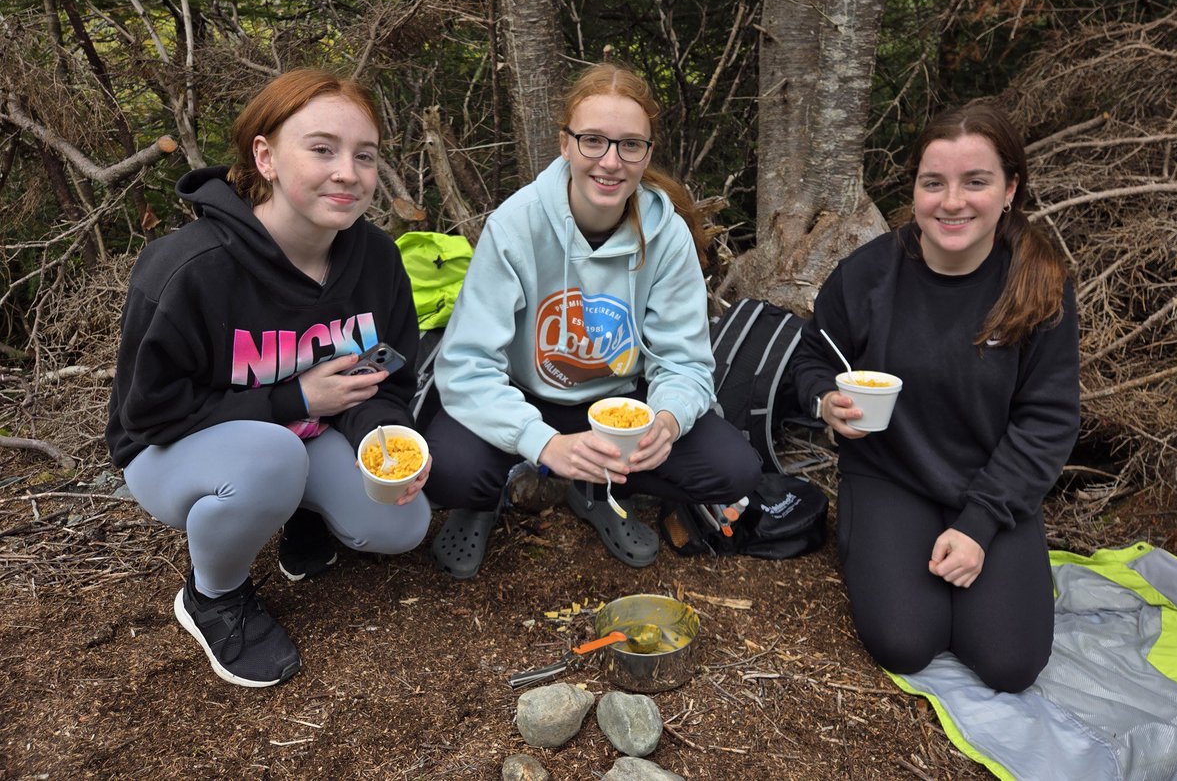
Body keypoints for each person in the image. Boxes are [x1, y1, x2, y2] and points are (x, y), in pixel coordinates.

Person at [106, 69, 431, 687]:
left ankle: (297, 510)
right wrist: (294, 397)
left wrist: (384, 436)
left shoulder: (377, 260)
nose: (348, 172)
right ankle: (214, 596)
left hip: (299, 437)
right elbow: (145, 414)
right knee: (272, 457)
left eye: (365, 156)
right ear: (267, 156)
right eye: (322, 149)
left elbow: (384, 374)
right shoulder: (190, 269)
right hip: (171, 448)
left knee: (399, 524)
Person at [423, 62, 761, 578]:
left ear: (646, 154)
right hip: (522, 395)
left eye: (630, 145)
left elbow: (685, 360)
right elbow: (466, 365)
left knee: (732, 467)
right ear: (565, 144)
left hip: (616, 407)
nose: (610, 161)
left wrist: (667, 419)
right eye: (593, 141)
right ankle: (486, 498)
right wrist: (541, 442)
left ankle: (594, 487)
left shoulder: (666, 234)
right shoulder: (516, 225)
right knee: (449, 470)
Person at [790, 102, 1080, 693]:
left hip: (993, 486)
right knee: (905, 643)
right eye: (934, 183)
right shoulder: (869, 274)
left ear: (1009, 189)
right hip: (889, 475)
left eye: (976, 181)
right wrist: (824, 400)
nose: (952, 202)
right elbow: (811, 357)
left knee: (1009, 664)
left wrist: (979, 526)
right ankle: (870, 541)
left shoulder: (1038, 285)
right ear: (915, 190)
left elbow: (1047, 420)